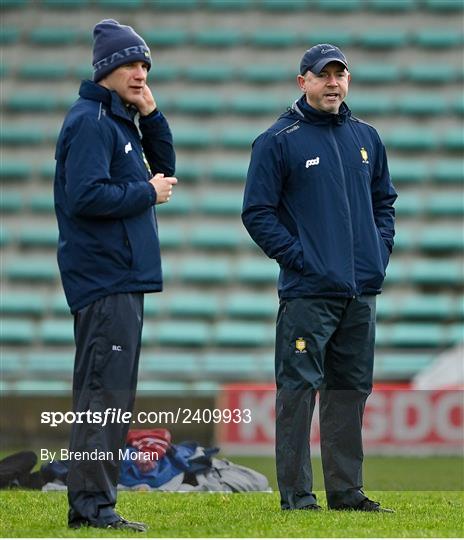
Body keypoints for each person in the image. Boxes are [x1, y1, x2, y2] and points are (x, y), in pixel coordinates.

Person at [242, 44, 397, 512]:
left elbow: (384, 205)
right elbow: (257, 212)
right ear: (302, 81)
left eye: (340, 75)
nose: (333, 83)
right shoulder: (278, 140)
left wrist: (378, 254)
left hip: (360, 293)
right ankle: (298, 497)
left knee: (349, 393)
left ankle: (347, 493)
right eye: (322, 75)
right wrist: (300, 259)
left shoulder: (366, 137)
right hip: (308, 294)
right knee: (298, 394)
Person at [54, 19, 177, 531]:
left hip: (123, 277)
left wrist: (151, 116)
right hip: (106, 278)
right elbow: (85, 197)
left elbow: (167, 171)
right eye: (131, 63)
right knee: (104, 397)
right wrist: (146, 193)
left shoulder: (120, 120)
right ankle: (93, 507)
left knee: (109, 397)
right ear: (106, 67)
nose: (141, 73)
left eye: (145, 64)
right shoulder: (90, 121)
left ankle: (93, 504)